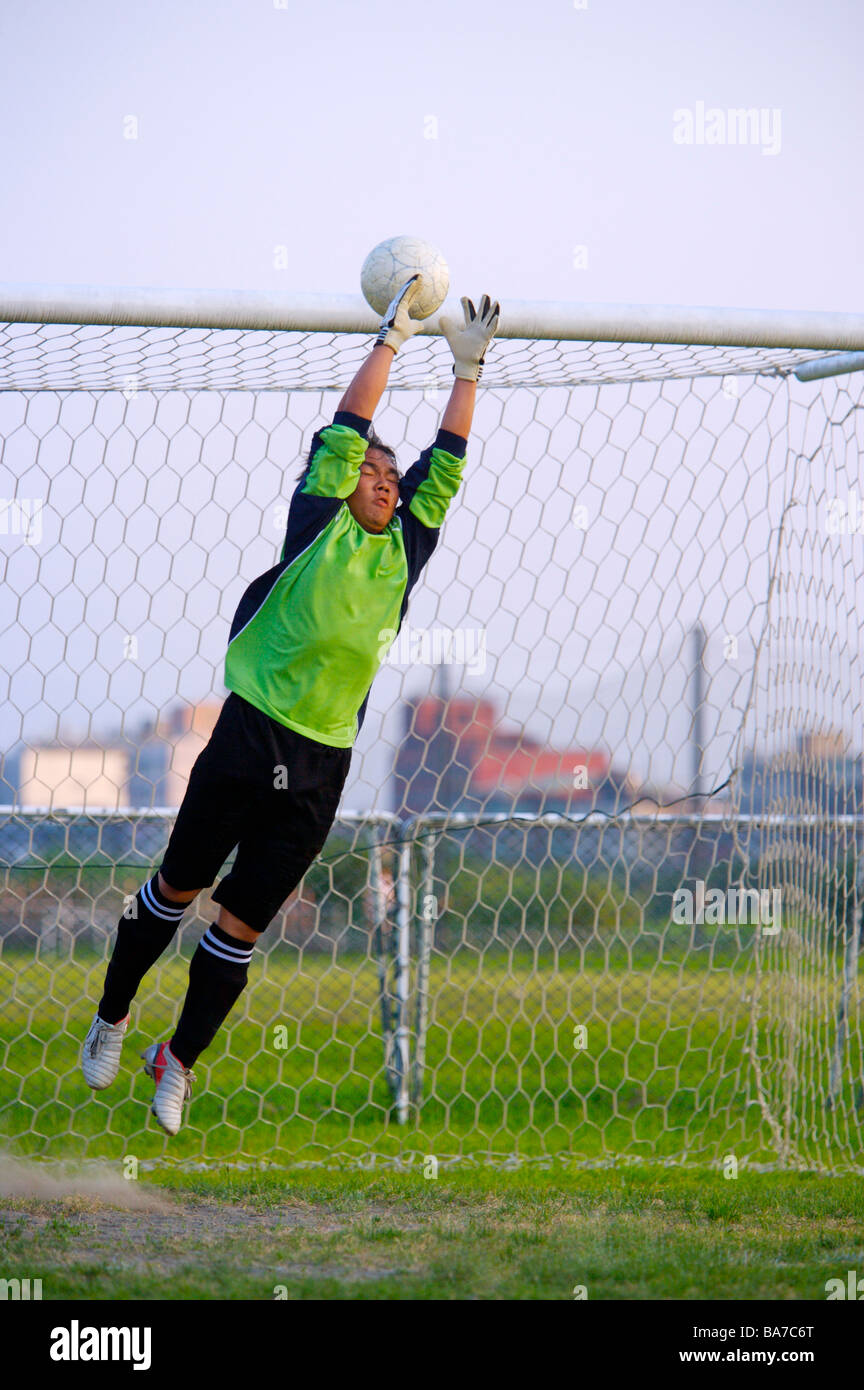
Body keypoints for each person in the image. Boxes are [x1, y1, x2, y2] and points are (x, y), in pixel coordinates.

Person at [80, 277, 499, 1135]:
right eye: (373, 472)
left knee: (238, 929)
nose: (385, 482)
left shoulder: (405, 553)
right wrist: (391, 339)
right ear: (341, 486)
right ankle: (113, 1016)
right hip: (250, 731)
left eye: (393, 475)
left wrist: (468, 370)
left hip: (322, 762)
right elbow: (346, 432)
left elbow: (444, 472)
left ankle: (179, 1062)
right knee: (177, 888)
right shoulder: (319, 525)